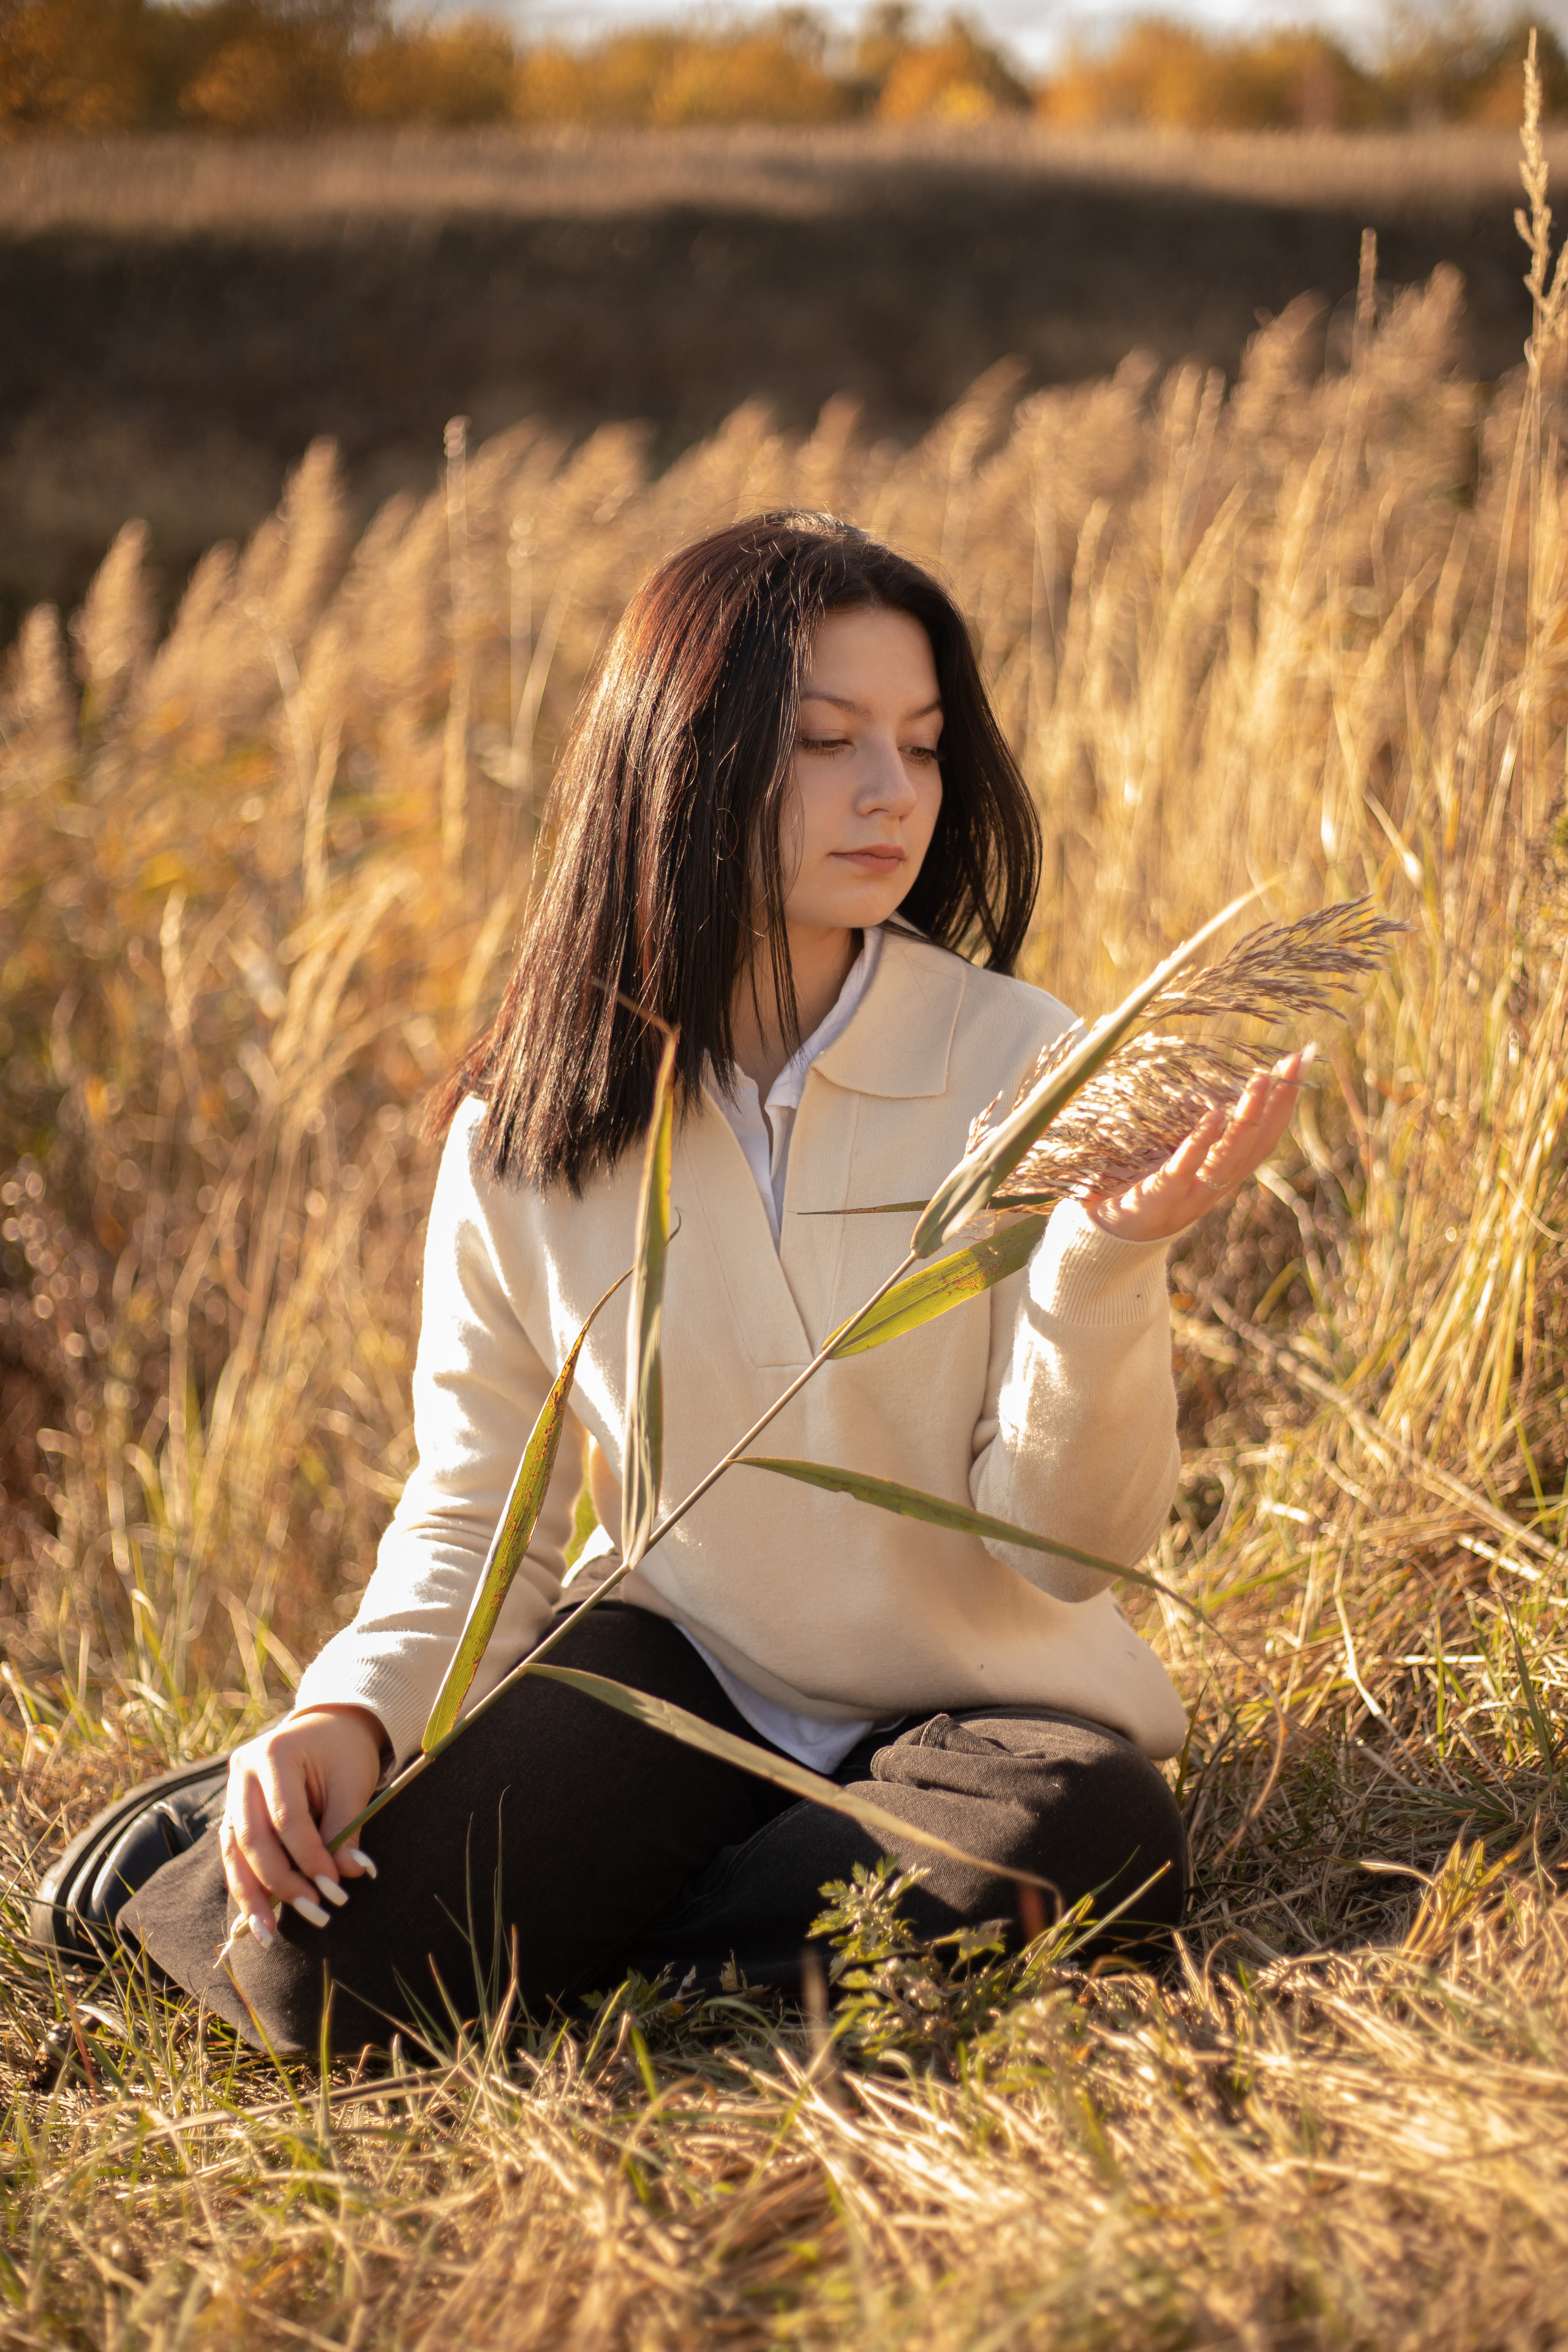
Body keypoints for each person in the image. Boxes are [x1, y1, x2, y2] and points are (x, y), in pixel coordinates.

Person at [34, 513, 1302, 2054]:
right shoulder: (534, 1130)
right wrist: (349, 1712)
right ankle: (255, 1848)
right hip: (678, 1677)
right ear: (684, 762)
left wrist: (1105, 1262)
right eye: (829, 741)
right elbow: (462, 1508)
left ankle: (612, 1934)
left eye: (918, 742)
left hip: (972, 1715)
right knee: (315, 1987)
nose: (891, 792)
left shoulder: (1017, 1059)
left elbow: (1067, 1553)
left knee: (1082, 1842)